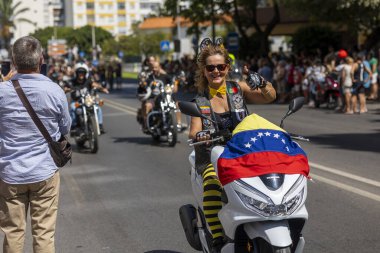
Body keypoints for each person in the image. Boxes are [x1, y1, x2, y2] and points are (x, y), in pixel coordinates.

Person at [188, 38, 276, 252]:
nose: (216, 71)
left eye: (221, 66)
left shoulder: (237, 89)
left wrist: (260, 81)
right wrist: (200, 135)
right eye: (211, 67)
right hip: (211, 155)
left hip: (243, 152)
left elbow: (270, 97)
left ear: (227, 67)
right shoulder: (199, 100)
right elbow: (192, 131)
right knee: (211, 183)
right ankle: (218, 238)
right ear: (204, 70)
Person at [0, 36, 71, 253]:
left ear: (13, 60)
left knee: (12, 232)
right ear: (41, 59)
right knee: (44, 234)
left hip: (9, 173)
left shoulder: (2, 92)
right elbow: (65, 128)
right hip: (44, 172)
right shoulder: (55, 91)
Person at [65, 62, 108, 134]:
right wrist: (66, 90)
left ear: (85, 73)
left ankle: (100, 125)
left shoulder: (88, 81)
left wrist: (102, 88)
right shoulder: (72, 82)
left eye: (83, 72)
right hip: (77, 102)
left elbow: (95, 84)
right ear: (76, 73)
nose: (81, 74)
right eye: (79, 72)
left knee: (98, 108)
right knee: (73, 108)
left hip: (87, 101)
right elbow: (65, 88)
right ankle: (74, 126)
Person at [141, 61, 171, 131]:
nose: (154, 69)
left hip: (164, 98)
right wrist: (143, 83)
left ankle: (176, 124)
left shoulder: (165, 76)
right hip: (153, 99)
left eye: (156, 67)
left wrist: (176, 81)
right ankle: (147, 124)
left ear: (159, 67)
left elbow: (172, 82)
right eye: (153, 67)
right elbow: (144, 86)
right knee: (147, 106)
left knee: (177, 104)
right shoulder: (149, 77)